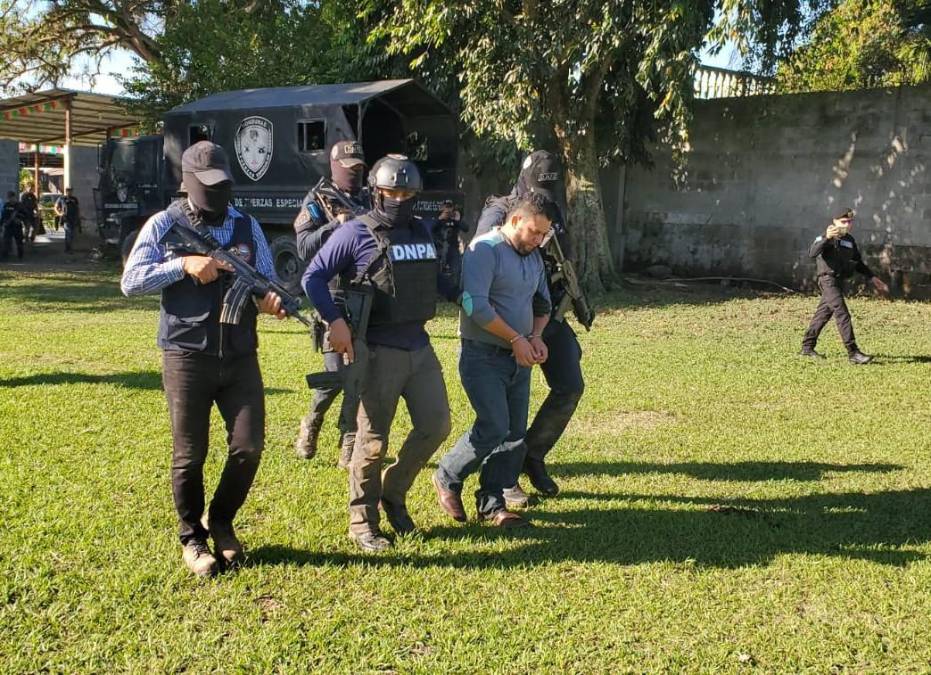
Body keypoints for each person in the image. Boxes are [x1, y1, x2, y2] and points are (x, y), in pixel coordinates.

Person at [121, 141, 286, 577]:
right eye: (207, 185)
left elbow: (266, 281)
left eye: (222, 184)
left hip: (239, 354)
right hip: (186, 355)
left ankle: (222, 520)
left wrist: (271, 301)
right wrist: (183, 266)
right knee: (190, 454)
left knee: (249, 446)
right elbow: (131, 281)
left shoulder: (247, 226)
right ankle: (192, 537)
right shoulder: (165, 223)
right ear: (189, 182)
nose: (216, 192)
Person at [303, 154, 457, 552]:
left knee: (436, 425)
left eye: (407, 193)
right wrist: (335, 321)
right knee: (372, 441)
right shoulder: (355, 232)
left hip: (419, 345)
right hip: (377, 351)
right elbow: (313, 277)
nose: (399, 200)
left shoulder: (422, 231)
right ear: (376, 192)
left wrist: (464, 295)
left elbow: (434, 279)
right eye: (392, 192)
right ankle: (362, 522)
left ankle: (393, 492)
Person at [433, 195, 552, 528]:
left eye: (544, 234)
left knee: (514, 434)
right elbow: (475, 306)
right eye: (534, 231)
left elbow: (543, 303)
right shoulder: (484, 250)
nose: (538, 240)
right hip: (482, 356)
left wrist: (536, 336)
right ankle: (447, 475)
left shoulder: (533, 256)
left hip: (520, 357)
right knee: (495, 426)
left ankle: (492, 503)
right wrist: (515, 338)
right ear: (515, 221)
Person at [474, 150, 585, 502]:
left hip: (546, 315)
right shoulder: (500, 213)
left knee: (570, 386)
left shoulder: (553, 211)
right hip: (505, 321)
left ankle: (532, 455)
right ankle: (503, 481)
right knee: (507, 409)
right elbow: (479, 265)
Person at [294, 140, 369, 466]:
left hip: (365, 297)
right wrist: (334, 226)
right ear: (335, 167)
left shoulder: (369, 198)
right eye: (349, 169)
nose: (354, 174)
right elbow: (303, 247)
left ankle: (349, 441)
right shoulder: (318, 200)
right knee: (336, 374)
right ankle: (312, 421)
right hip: (332, 297)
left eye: (359, 168)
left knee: (358, 379)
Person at [800, 209, 889, 364]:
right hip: (827, 280)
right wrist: (826, 237)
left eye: (849, 222)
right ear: (834, 222)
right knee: (842, 314)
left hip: (839, 281)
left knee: (823, 314)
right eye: (843, 222)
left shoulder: (849, 240)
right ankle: (853, 353)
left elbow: (857, 262)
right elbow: (812, 253)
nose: (847, 225)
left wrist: (873, 278)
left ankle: (807, 347)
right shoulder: (825, 237)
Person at [55, 188, 81, 253]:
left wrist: (79, 217)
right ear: (66, 192)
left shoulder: (74, 199)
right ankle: (68, 249)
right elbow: (55, 207)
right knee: (68, 234)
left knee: (72, 234)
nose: (70, 192)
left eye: (71, 191)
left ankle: (69, 247)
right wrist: (59, 214)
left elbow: (78, 208)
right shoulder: (62, 198)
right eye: (68, 191)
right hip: (66, 219)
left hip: (74, 219)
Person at [1, 191, 25, 260]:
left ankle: (20, 256)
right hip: (8, 226)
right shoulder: (6, 205)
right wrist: (2, 224)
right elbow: (3, 215)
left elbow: (25, 215)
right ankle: (4, 257)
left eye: (11, 197)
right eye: (9, 198)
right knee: (6, 241)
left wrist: (19, 219)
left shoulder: (19, 205)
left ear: (14, 197)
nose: (10, 199)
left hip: (17, 226)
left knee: (19, 242)